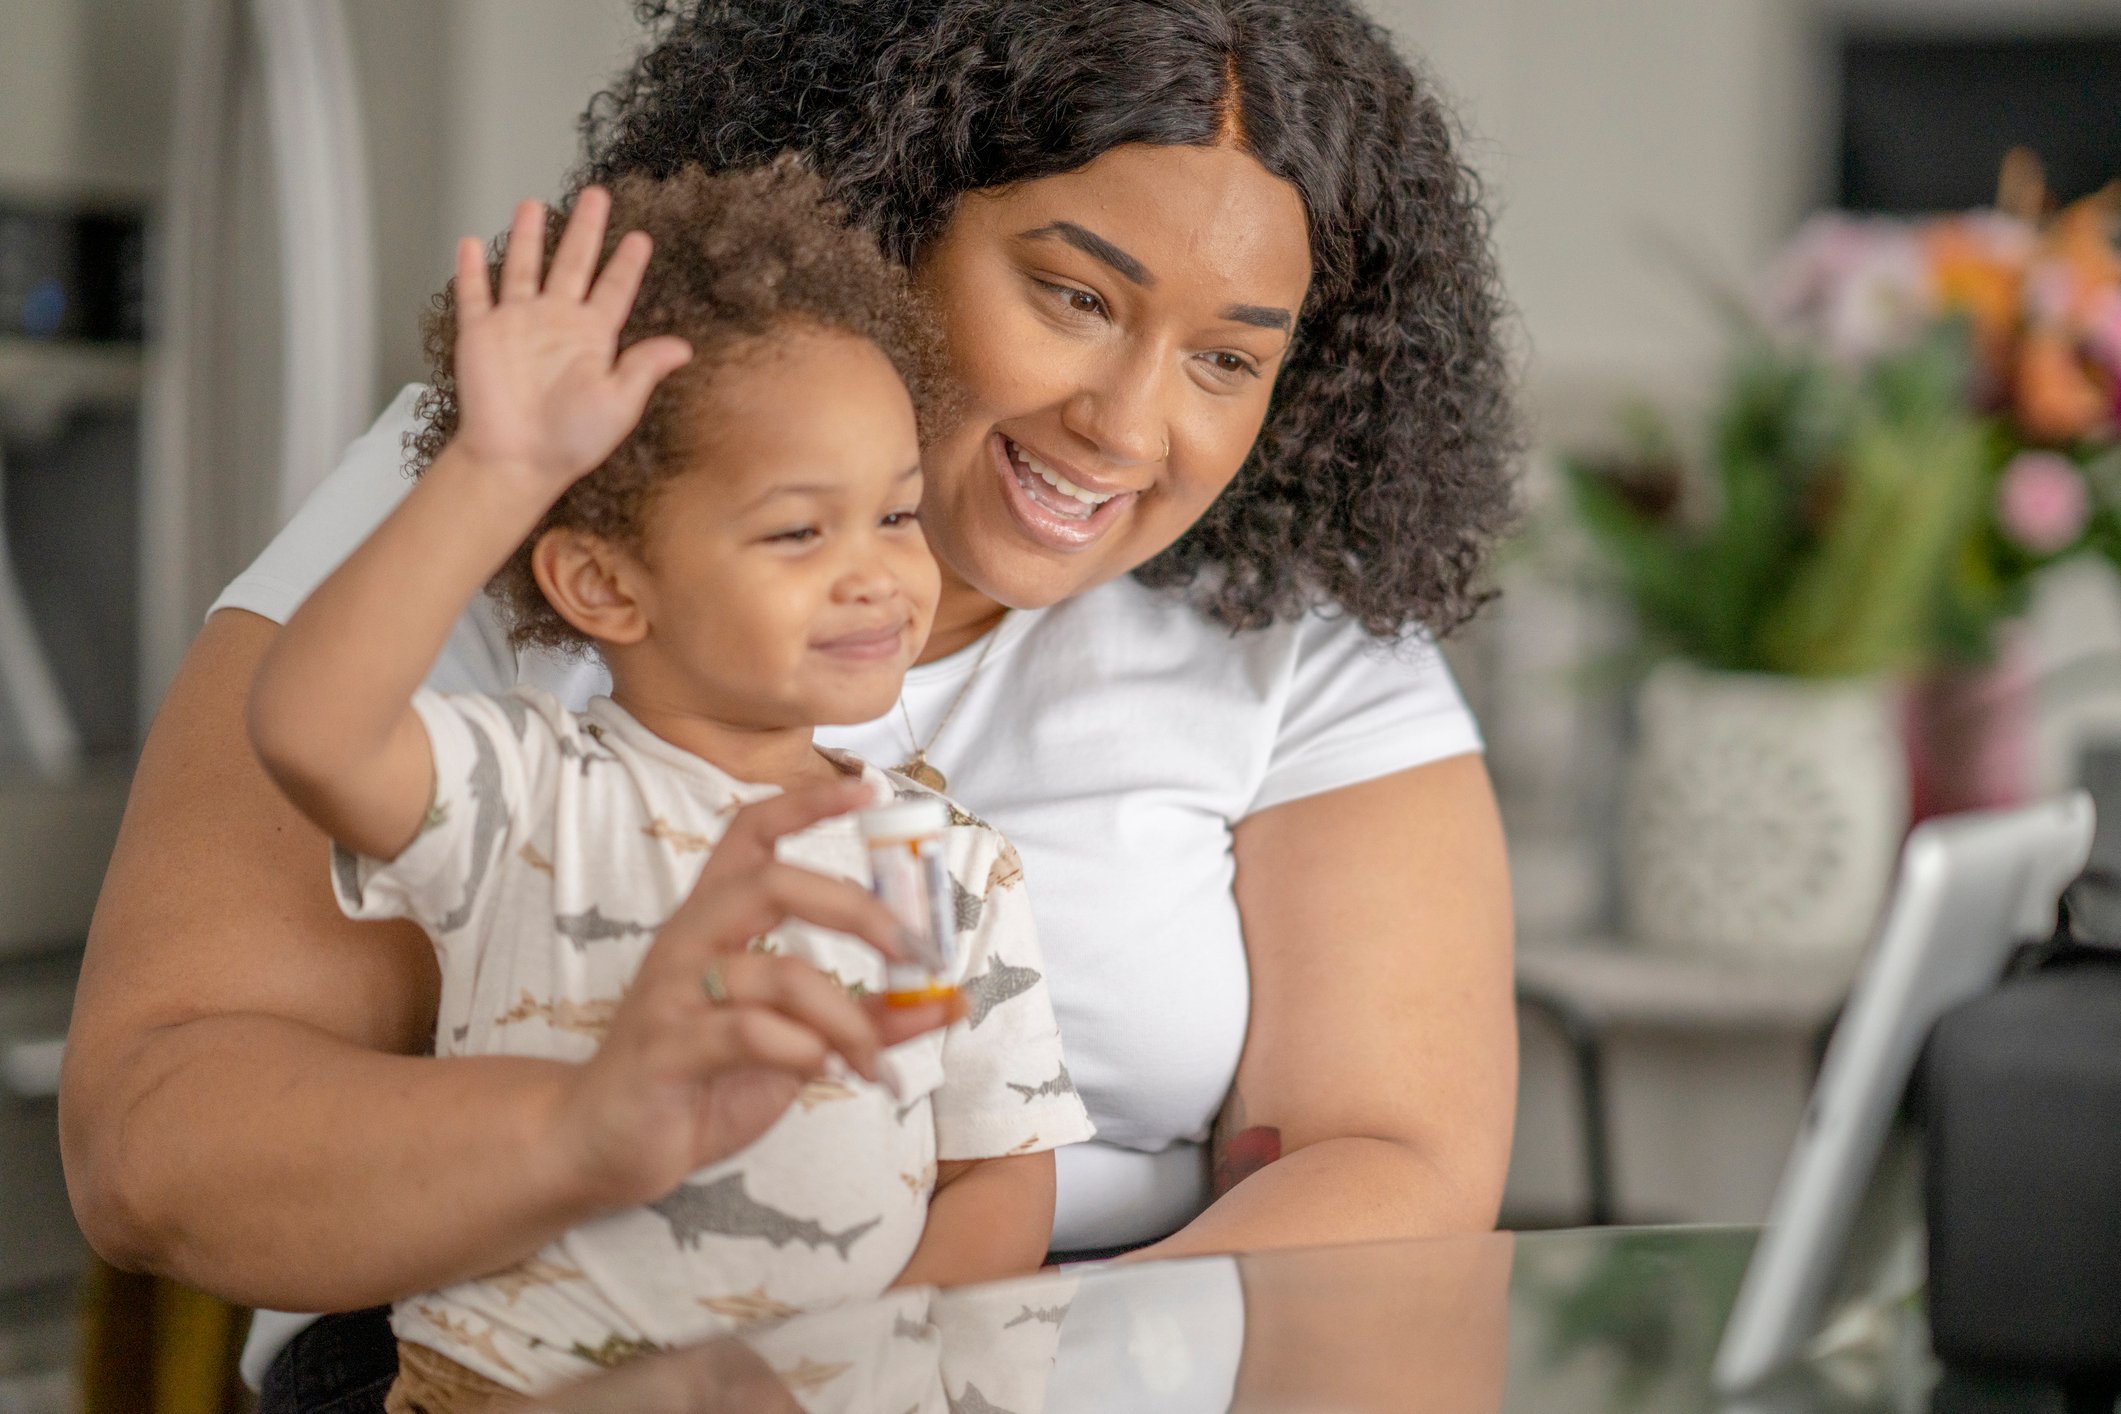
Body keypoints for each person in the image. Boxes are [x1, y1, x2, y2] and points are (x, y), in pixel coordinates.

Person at [60, 1, 1521, 1407]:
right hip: (519, 1346)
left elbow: (1393, 1160)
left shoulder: (1287, 619)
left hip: (1051, 1346)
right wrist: (582, 1137)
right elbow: (159, 1139)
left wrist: (972, 1359)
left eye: (1226, 359)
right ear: (883, 219)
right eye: (1073, 296)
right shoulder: (544, 471)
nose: (1129, 426)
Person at [246, 162, 1094, 1407]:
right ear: (604, 587)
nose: (876, 576)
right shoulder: (526, 789)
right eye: (801, 531)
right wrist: (495, 469)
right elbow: (311, 728)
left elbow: (1000, 1172)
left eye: (898, 516)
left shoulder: (937, 860)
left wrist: (850, 1367)